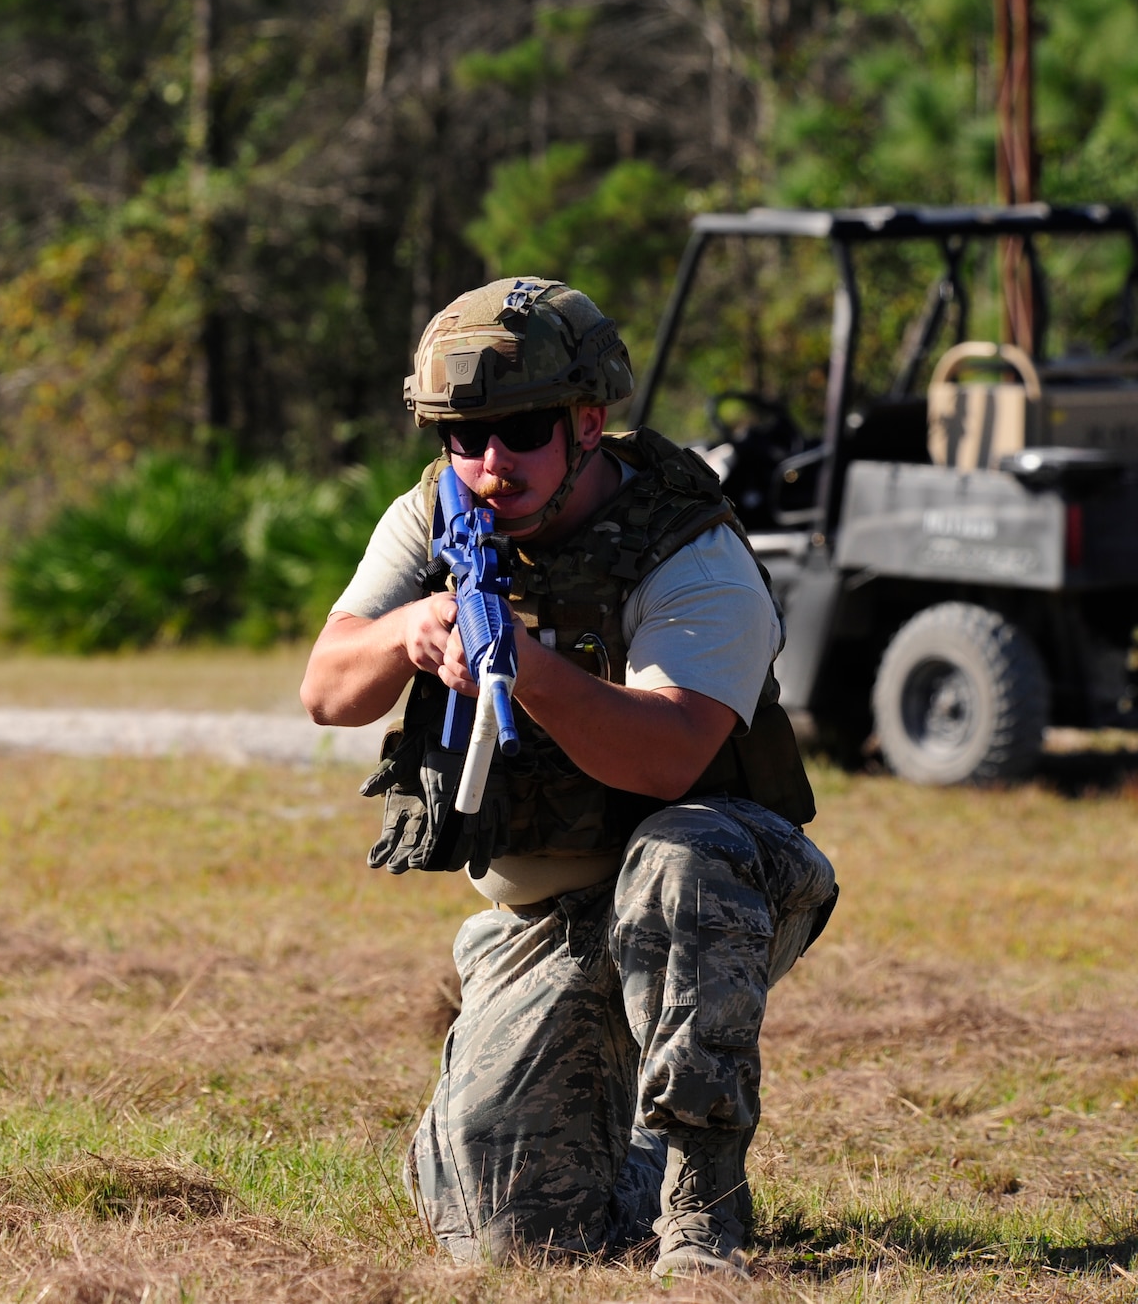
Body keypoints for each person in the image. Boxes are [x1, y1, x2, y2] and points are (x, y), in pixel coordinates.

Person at [299, 278, 837, 1278]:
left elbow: (667, 754)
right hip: (543, 910)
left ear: (587, 422)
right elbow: (326, 690)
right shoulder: (434, 515)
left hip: (724, 879)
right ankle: (567, 1132)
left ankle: (698, 1195)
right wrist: (408, 632)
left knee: (683, 854)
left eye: (523, 430)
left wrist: (525, 666)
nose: (490, 462)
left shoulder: (689, 550)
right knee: (513, 1235)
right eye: (464, 437)